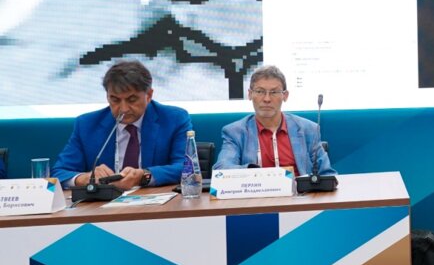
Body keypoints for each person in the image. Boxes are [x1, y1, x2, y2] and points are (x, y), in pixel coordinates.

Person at [52, 60, 193, 189]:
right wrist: (84, 178)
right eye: (115, 100)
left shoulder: (174, 119)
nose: (123, 109)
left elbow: (187, 167)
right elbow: (59, 173)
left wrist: (144, 176)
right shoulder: (87, 124)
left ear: (149, 95)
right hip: (102, 204)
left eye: (132, 99)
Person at [214, 65, 335, 176]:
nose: (267, 99)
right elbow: (222, 170)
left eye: (274, 92)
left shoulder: (308, 129)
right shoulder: (235, 132)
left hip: (299, 192)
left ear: (285, 96)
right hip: (255, 192)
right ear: (250, 94)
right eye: (260, 91)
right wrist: (259, 174)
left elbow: (327, 174)